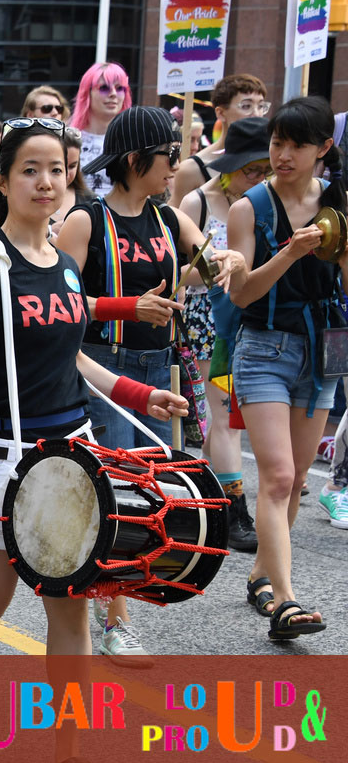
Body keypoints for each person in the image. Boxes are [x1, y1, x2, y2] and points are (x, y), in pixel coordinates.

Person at [0, 117, 185, 763]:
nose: (46, 181)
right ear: (1, 181)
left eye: (57, 169)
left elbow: (75, 354)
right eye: (29, 169)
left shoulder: (60, 260)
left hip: (70, 458)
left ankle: (72, 757)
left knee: (70, 602)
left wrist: (140, 394)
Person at [56, 106, 212, 662]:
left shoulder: (169, 219)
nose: (176, 164)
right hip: (103, 365)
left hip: (157, 366)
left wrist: (229, 260)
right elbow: (61, 303)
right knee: (117, 495)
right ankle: (114, 618)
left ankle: (110, 600)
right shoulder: (85, 220)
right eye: (169, 155)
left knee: (150, 491)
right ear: (134, 160)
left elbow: (208, 264)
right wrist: (128, 306)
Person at [217, 96, 345, 641]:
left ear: (324, 149)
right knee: (279, 476)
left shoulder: (338, 204)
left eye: (296, 145)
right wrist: (291, 253)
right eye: (277, 143)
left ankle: (263, 576)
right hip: (264, 348)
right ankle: (287, 602)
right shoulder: (250, 207)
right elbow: (242, 295)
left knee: (292, 485)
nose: (284, 154)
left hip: (324, 351)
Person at [177, 117, 271, 552]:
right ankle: (235, 510)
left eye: (265, 167)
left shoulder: (266, 203)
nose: (260, 176)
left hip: (252, 322)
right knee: (225, 415)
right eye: (252, 167)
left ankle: (216, 500)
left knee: (229, 417)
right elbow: (177, 270)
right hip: (205, 324)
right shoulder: (197, 202)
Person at [168, 74, 269, 208]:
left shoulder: (273, 160)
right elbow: (175, 221)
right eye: (246, 106)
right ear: (221, 113)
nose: (256, 114)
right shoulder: (192, 169)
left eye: (261, 106)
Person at [70, 62, 133, 198]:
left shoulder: (133, 141)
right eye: (104, 88)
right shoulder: (69, 139)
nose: (113, 94)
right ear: (87, 93)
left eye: (120, 88)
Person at [48, 126, 94, 239]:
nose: (66, 174)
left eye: (72, 166)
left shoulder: (90, 201)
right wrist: (49, 232)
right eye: (59, 167)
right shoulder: (29, 197)